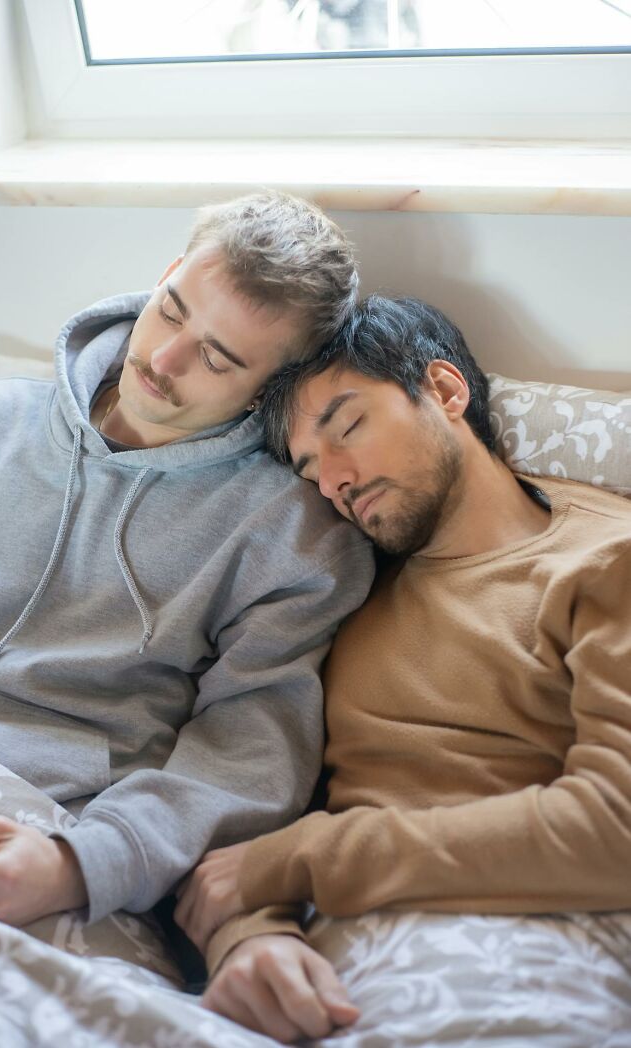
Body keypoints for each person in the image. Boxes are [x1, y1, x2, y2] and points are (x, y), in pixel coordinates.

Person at [175, 294, 631, 1043]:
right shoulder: (328, 587)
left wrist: (302, 860)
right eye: (309, 468)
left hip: (536, 939)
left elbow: (616, 830)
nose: (334, 483)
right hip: (335, 966)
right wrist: (251, 941)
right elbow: (245, 811)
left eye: (348, 427)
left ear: (447, 392)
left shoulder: (604, 558)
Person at [0, 192, 374, 938]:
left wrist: (81, 864)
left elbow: (251, 751)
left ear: (271, 389)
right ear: (167, 273)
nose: (163, 360)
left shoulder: (295, 538)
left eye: (216, 357)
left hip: (70, 839)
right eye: (172, 311)